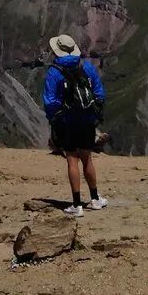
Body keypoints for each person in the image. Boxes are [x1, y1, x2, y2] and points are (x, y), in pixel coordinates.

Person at [43, 34, 106, 218]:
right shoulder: (86, 66)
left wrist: (55, 119)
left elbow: (50, 101)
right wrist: (94, 113)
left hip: (68, 121)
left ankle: (76, 204)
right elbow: (99, 92)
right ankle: (95, 199)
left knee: (72, 159)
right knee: (87, 158)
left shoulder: (54, 72)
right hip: (87, 120)